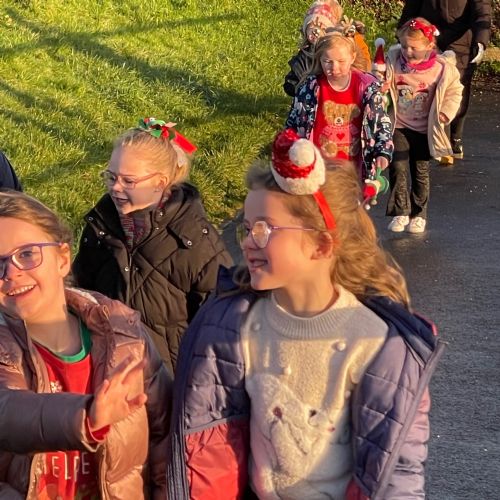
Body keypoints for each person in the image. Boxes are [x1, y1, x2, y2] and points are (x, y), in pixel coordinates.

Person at [166, 130, 445, 499]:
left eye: (264, 229)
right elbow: (205, 439)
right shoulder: (235, 325)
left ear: (322, 244)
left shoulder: (378, 343)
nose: (247, 242)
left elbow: (399, 471)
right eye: (246, 228)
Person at [0, 190, 172, 499]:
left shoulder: (124, 335)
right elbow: (8, 412)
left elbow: (164, 438)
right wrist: (87, 418)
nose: (11, 273)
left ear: (63, 259)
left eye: (27, 254)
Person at [73, 118, 232, 373]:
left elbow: (222, 323)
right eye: (111, 177)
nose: (115, 188)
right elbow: (81, 288)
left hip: (170, 375)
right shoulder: (100, 226)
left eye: (128, 181)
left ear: (160, 183)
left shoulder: (195, 242)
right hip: (106, 368)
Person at [383, 18, 463, 233]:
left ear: (429, 46)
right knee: (397, 166)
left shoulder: (441, 68)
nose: (407, 52)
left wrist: (446, 112)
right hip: (399, 124)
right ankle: (400, 211)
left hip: (424, 128)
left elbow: (455, 91)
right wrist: (381, 86)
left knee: (420, 170)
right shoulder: (393, 60)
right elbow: (379, 78)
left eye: (414, 48)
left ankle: (419, 213)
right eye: (404, 46)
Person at [285, 26, 393, 181]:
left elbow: (381, 123)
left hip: (355, 170)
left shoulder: (366, 88)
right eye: (327, 61)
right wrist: (289, 151)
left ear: (352, 57)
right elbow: (293, 123)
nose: (334, 68)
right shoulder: (310, 88)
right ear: (319, 59)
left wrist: (382, 152)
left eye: (341, 61)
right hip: (318, 168)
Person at [398, 0, 492, 164]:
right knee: (426, 88)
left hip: (460, 41)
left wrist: (481, 41)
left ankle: (455, 137)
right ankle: (439, 141)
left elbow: (482, 11)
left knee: (455, 88)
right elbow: (412, 7)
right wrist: (402, 33)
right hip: (427, 36)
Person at [283, 0, 371, 98]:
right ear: (305, 30)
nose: (315, 32)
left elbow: (360, 64)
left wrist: (351, 38)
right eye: (311, 28)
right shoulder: (304, 55)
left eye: (321, 28)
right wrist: (297, 88)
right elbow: (293, 79)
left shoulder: (337, 51)